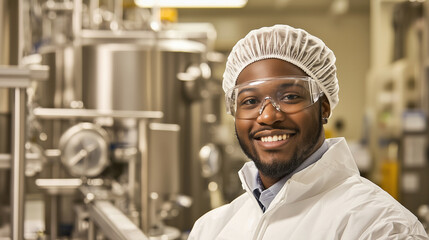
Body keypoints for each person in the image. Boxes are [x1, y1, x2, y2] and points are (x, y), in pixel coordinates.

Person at [188, 25, 429, 239]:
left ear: (324, 107)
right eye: (250, 101)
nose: (268, 116)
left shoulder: (378, 227)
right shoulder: (211, 229)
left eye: (290, 97)